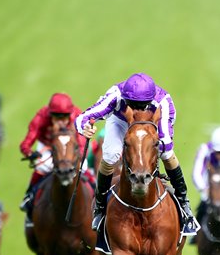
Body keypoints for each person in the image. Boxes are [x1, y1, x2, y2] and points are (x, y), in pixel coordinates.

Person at [75, 72, 198, 234]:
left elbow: (166, 143)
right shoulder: (115, 96)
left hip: (150, 123)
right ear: (125, 99)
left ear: (151, 100)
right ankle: (99, 206)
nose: (137, 110)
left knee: (167, 154)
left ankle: (184, 204)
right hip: (121, 121)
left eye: (142, 106)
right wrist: (84, 128)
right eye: (132, 104)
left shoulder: (164, 102)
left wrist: (147, 147)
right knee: (110, 154)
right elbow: (84, 116)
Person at [19, 93, 88, 222]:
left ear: (70, 114)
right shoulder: (41, 116)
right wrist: (28, 152)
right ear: (50, 114)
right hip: (47, 146)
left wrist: (79, 155)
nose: (61, 121)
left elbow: (82, 142)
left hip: (70, 147)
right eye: (56, 117)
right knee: (42, 166)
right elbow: (27, 141)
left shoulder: (77, 115)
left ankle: (96, 192)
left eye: (65, 117)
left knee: (83, 167)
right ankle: (29, 195)